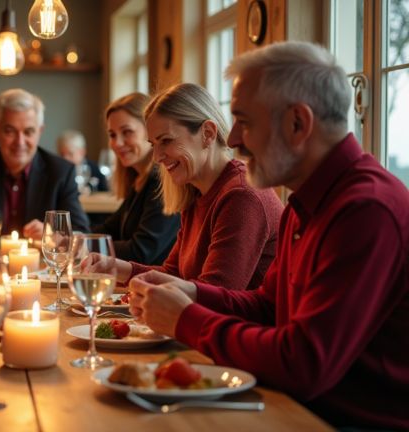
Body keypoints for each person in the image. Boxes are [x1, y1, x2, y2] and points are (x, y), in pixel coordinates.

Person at [128, 42, 409, 430]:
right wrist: (193, 294)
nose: (236, 138)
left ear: (298, 123)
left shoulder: (366, 209)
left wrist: (187, 319)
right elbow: (266, 307)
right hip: (294, 405)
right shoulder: (305, 201)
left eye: (245, 121)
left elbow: (304, 364)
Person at [114, 84, 283, 291]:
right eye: (153, 145)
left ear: (208, 133)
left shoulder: (241, 195)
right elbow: (175, 274)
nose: (157, 157)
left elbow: (215, 295)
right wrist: (119, 269)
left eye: (165, 141)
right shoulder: (195, 191)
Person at [0, 88, 90, 245]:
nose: (20, 142)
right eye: (10, 131)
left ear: (39, 131)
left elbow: (81, 231)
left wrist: (53, 235)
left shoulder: (61, 171)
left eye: (28, 132)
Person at [90, 93, 180, 265]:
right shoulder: (141, 180)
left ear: (150, 132)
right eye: (112, 135)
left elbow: (141, 251)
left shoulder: (163, 180)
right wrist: (68, 237)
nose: (117, 143)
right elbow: (109, 229)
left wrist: (81, 245)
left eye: (127, 132)